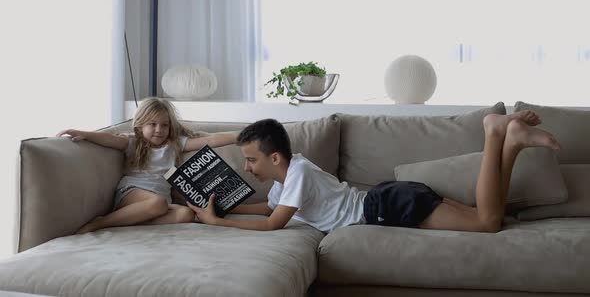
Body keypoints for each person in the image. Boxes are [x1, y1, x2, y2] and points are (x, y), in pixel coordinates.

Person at [187, 111, 560, 233]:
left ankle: (494, 133)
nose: (247, 167)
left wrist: (218, 224)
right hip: (390, 198)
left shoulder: (297, 172)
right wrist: (220, 208)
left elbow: (273, 224)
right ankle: (510, 143)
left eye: (250, 160)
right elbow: (267, 210)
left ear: (275, 159)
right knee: (489, 217)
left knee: (488, 223)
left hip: (386, 207)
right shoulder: (282, 184)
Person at [57, 97, 238, 234]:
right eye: (153, 124)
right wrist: (86, 134)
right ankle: (101, 223)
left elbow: (211, 140)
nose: (159, 130)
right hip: (133, 193)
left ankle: (132, 220)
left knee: (187, 214)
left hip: (158, 203)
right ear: (141, 125)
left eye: (164, 125)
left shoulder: (174, 145)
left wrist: (240, 136)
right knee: (158, 203)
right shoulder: (133, 142)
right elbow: (109, 139)